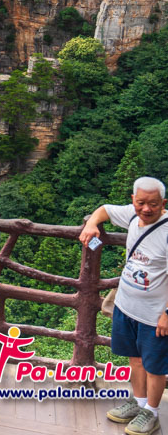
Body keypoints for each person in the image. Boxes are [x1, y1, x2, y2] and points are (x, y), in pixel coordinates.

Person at [80, 176, 168, 435]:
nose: (147, 209)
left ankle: (151, 413)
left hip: (155, 314)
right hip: (127, 305)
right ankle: (139, 403)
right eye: (141, 202)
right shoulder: (131, 214)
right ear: (133, 200)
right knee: (136, 360)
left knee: (154, 366)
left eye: (154, 204)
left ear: (164, 203)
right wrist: (93, 223)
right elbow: (105, 209)